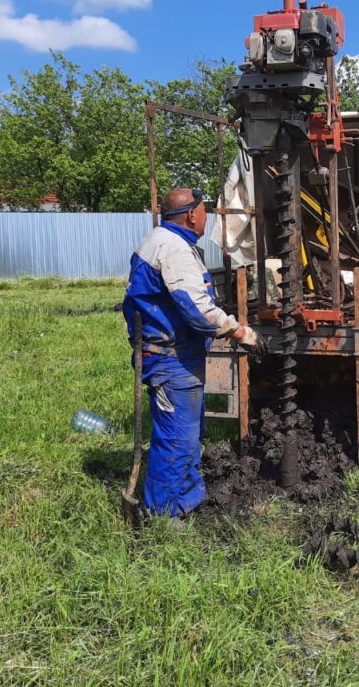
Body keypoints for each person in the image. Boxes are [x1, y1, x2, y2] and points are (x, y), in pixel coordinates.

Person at [122, 187, 267, 521]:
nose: (208, 216)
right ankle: (164, 515)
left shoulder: (165, 242)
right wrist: (239, 331)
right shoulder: (172, 249)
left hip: (176, 355)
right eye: (206, 210)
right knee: (176, 438)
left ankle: (187, 499)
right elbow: (195, 308)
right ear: (191, 214)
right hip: (170, 358)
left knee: (187, 434)